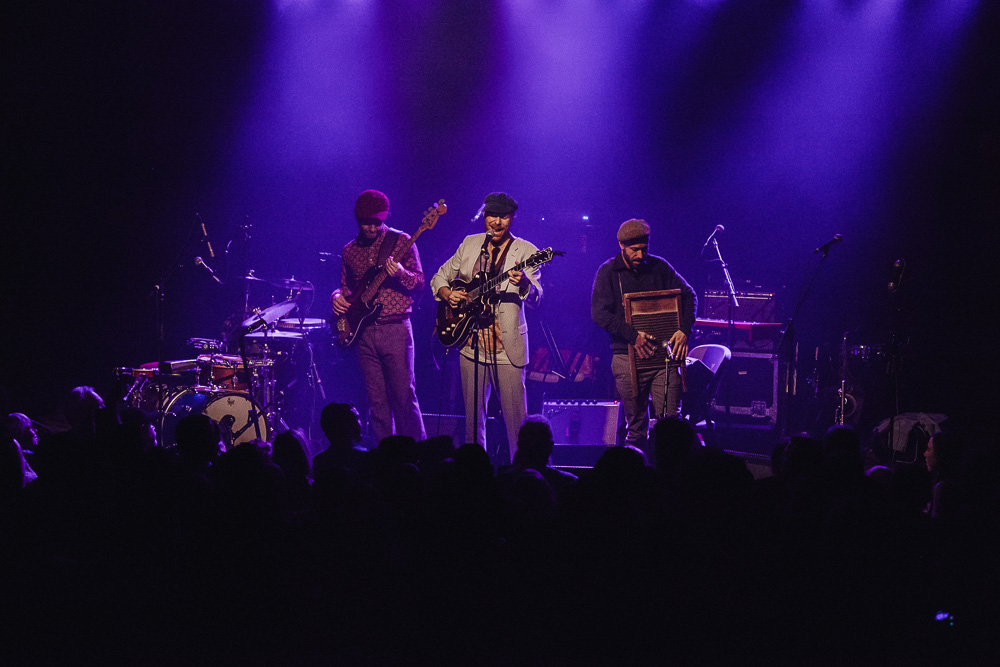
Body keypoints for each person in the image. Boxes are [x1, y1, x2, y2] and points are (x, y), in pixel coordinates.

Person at [431, 192, 543, 463]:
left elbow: (539, 296)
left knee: (517, 421)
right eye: (492, 216)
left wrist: (525, 284)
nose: (497, 222)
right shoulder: (470, 244)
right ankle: (475, 473)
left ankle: (523, 472)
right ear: (484, 216)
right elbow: (439, 277)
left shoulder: (527, 251)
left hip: (508, 348)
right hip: (471, 345)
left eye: (503, 217)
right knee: (472, 421)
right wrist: (448, 294)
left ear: (512, 218)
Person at [591, 219, 696, 456]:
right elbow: (599, 314)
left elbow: (690, 296)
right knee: (636, 427)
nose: (640, 254)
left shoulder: (660, 267)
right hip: (626, 358)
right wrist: (633, 336)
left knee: (670, 422)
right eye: (634, 249)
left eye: (644, 248)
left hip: (665, 358)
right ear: (621, 245)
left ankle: (670, 477)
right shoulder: (608, 272)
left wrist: (684, 330)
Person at [331, 189, 426, 442]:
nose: (372, 228)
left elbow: (420, 283)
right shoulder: (349, 251)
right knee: (377, 404)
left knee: (404, 398)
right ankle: (384, 458)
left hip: (395, 328)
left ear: (385, 218)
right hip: (363, 333)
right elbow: (345, 288)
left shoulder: (401, 241)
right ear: (357, 219)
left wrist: (400, 273)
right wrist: (335, 297)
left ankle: (417, 456)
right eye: (366, 222)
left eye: (377, 222)